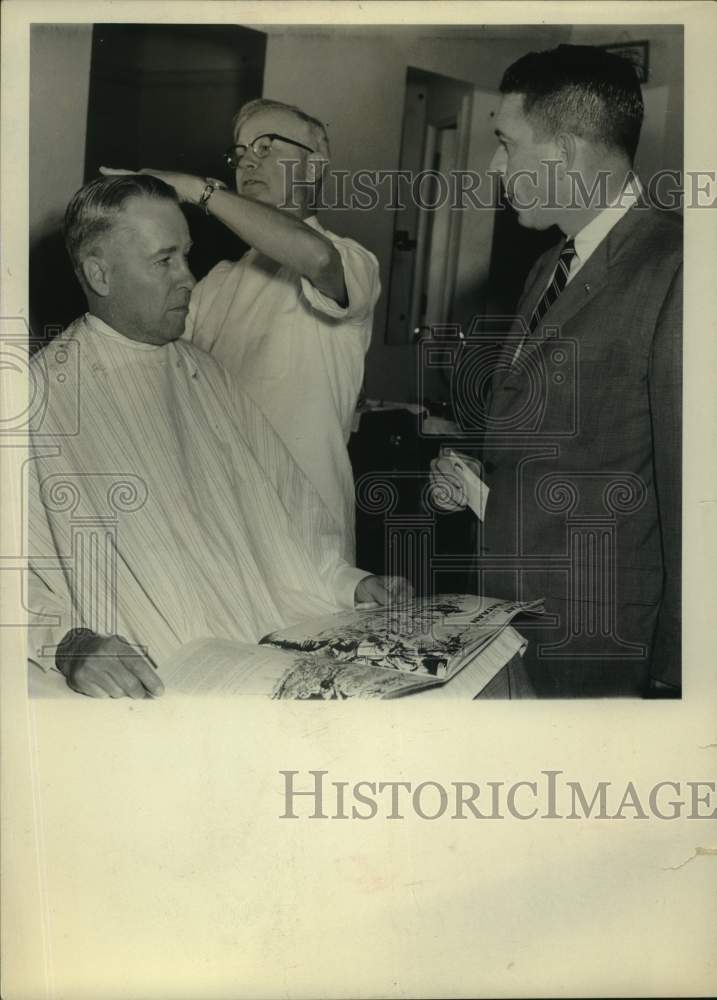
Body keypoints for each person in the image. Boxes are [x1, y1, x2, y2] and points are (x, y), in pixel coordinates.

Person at [27, 175, 404, 699]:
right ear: (100, 274)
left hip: (265, 638)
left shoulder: (206, 372)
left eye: (186, 255)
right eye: (165, 261)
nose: (187, 278)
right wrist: (67, 644)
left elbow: (287, 511)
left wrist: (349, 582)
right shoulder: (36, 397)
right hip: (163, 667)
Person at [432, 44, 682, 697]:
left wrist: (673, 678)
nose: (494, 167)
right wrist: (479, 481)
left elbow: (692, 499)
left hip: (606, 648)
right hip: (516, 625)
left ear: (563, 154)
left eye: (504, 144)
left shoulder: (678, 267)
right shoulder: (548, 267)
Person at [101, 98, 380, 562]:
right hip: (220, 518)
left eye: (268, 146)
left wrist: (198, 191)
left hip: (304, 527)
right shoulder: (217, 281)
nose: (248, 160)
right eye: (241, 152)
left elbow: (316, 259)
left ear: (315, 166)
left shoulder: (352, 259)